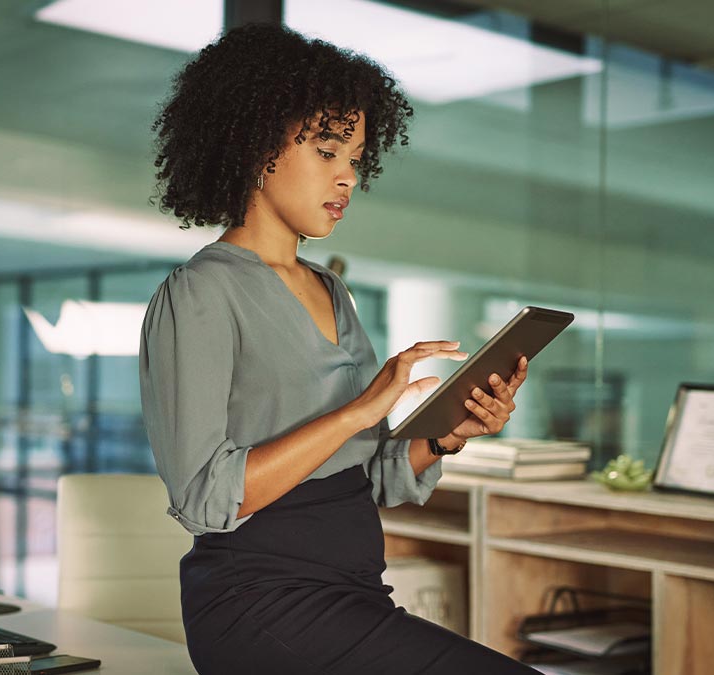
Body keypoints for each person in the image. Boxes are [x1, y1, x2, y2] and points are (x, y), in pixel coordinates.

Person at [139, 23, 537, 675]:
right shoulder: (200, 294)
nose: (348, 177)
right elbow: (204, 498)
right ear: (257, 147)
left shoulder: (333, 292)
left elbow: (373, 473)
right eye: (327, 152)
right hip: (255, 600)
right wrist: (356, 411)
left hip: (353, 594)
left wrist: (445, 435)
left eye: (355, 158)